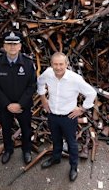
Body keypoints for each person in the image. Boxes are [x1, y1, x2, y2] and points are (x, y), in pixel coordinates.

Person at [37, 52, 97, 181]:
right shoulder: (48, 73)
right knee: (55, 138)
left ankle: (74, 167)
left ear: (67, 64)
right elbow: (40, 82)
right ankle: (56, 158)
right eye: (55, 64)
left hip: (68, 117)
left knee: (72, 143)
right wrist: (43, 99)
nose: (58, 67)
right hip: (52, 114)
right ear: (51, 64)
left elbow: (91, 93)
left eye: (61, 64)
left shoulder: (75, 79)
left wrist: (82, 109)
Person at [0, 31, 37, 164]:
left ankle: (26, 150)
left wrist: (20, 104)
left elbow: (32, 86)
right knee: (6, 128)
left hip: (24, 106)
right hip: (5, 106)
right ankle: (8, 149)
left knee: (26, 128)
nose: (12, 47)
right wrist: (7, 104)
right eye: (9, 44)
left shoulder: (28, 64)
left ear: (20, 46)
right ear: (4, 46)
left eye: (15, 44)